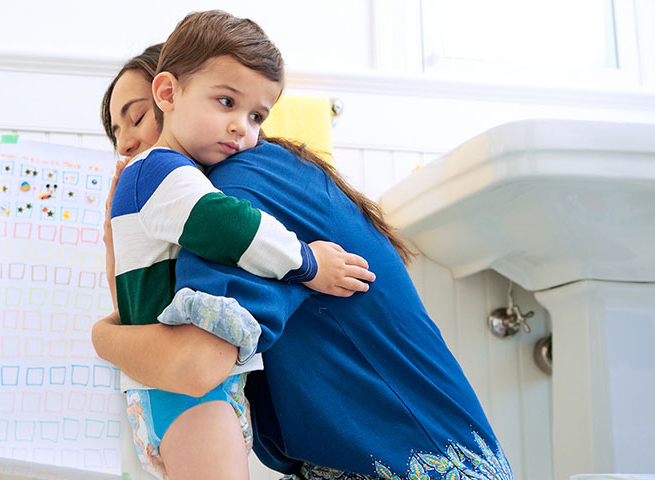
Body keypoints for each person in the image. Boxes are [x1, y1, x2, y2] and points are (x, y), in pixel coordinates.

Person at [94, 36, 514, 480]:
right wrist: (114, 239)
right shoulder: (237, 188)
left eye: (137, 117)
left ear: (171, 93)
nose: (125, 145)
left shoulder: (237, 191)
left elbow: (191, 364)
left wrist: (102, 338)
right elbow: (145, 316)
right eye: (116, 134)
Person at [103, 11, 375, 480]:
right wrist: (308, 263)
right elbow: (227, 225)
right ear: (167, 93)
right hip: (188, 394)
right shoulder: (156, 169)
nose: (242, 129)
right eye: (226, 102)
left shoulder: (160, 176)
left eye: (255, 116)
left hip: (180, 390)